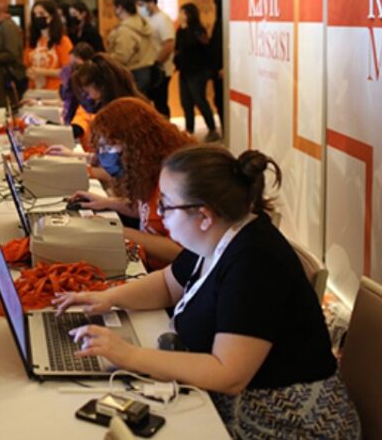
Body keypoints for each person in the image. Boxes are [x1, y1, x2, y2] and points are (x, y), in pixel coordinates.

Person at [55, 145, 361, 439]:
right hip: (235, 401)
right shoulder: (219, 234)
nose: (159, 213)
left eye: (166, 206)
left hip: (284, 419)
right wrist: (107, 297)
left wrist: (130, 355)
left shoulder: (256, 262)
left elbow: (228, 373)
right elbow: (167, 285)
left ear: (204, 216)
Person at [67, 97, 192, 267]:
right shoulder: (147, 170)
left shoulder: (173, 178)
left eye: (109, 147)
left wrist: (118, 231)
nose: (104, 155)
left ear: (135, 143)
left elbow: (180, 253)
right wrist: (107, 202)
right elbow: (147, 211)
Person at [175, 2, 219, 142]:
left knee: (199, 100)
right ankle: (189, 131)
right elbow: (178, 48)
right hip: (184, 71)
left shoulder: (198, 30)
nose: (180, 15)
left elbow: (205, 48)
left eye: (182, 12)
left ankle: (212, 128)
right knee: (186, 102)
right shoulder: (180, 30)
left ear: (189, 14)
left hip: (198, 71)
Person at [105, 0, 157, 96]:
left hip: (133, 73)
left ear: (120, 7)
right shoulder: (141, 23)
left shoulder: (126, 29)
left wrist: (107, 58)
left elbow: (122, 56)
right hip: (146, 71)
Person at [135, 0, 175, 118]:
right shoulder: (146, 19)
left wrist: (157, 63)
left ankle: (165, 128)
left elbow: (169, 44)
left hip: (161, 70)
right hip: (148, 68)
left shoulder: (163, 19)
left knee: (160, 104)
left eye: (141, 4)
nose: (140, 8)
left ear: (151, 3)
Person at [24, 0, 73, 91]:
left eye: (41, 14)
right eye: (35, 15)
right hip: (34, 90)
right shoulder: (32, 41)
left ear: (51, 16)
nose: (38, 17)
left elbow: (68, 71)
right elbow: (27, 65)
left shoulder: (63, 41)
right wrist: (29, 72)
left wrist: (43, 72)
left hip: (55, 91)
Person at [209, 0, 224, 129]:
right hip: (216, 68)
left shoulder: (225, 21)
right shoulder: (219, 20)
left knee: (222, 101)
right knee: (218, 100)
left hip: (222, 69)